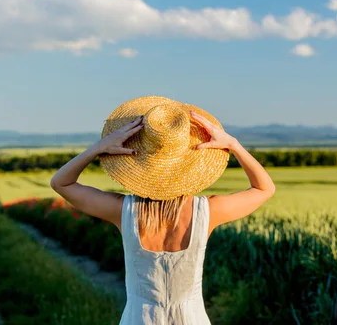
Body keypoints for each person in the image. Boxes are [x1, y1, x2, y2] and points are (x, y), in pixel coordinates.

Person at [50, 96, 275, 324]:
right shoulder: (208, 211)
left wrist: (99, 148)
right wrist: (233, 144)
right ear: (191, 164)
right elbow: (264, 188)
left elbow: (61, 183)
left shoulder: (123, 211)